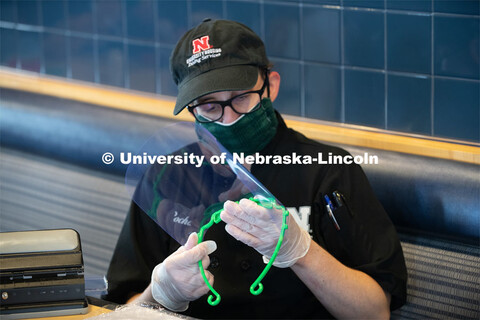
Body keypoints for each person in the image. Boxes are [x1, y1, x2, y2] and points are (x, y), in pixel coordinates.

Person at [104, 19, 407, 319]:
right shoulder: (167, 177)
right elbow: (123, 305)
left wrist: (299, 251)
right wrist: (160, 295)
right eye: (209, 106)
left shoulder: (328, 171)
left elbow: (374, 312)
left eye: (241, 97)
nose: (228, 119)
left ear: (270, 86)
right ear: (191, 108)